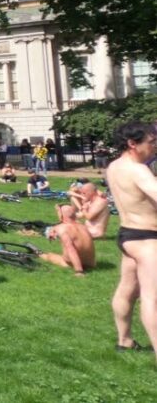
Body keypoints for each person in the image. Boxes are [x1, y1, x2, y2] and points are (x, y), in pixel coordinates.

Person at [105, 121, 157, 356]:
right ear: (132, 144)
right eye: (152, 142)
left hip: (128, 235)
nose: (155, 146)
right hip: (147, 239)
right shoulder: (138, 170)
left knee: (128, 289)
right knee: (152, 298)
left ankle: (124, 340)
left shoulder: (114, 166)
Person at [39, 204, 94, 276]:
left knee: (49, 256)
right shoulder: (83, 226)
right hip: (91, 263)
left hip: (74, 264)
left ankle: (38, 254)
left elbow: (71, 250)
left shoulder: (62, 228)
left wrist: (79, 271)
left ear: (62, 215)